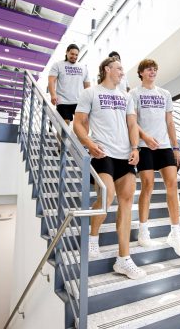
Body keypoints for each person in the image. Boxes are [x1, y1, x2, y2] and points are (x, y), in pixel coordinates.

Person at [73, 56, 146, 280]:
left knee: (126, 203)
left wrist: (136, 148)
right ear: (107, 69)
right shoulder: (90, 93)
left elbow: (132, 124)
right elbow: (78, 122)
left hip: (125, 155)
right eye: (119, 68)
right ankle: (92, 237)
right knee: (107, 196)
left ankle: (123, 259)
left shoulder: (126, 97)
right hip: (102, 152)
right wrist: (89, 144)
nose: (123, 72)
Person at [130, 59, 180, 258]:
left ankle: (175, 233)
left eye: (155, 69)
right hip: (145, 146)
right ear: (141, 73)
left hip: (164, 146)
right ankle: (143, 231)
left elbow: (170, 122)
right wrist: (144, 138)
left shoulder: (165, 94)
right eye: (149, 69)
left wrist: (176, 147)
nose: (153, 71)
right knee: (147, 186)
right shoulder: (134, 94)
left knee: (172, 185)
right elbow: (132, 122)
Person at [48, 44, 90, 124]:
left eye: (76, 55)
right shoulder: (58, 65)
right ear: (67, 52)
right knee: (65, 124)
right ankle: (61, 137)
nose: (74, 56)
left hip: (79, 101)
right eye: (72, 54)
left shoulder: (83, 68)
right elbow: (51, 81)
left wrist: (88, 100)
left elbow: (87, 86)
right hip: (63, 101)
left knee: (82, 124)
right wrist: (53, 95)